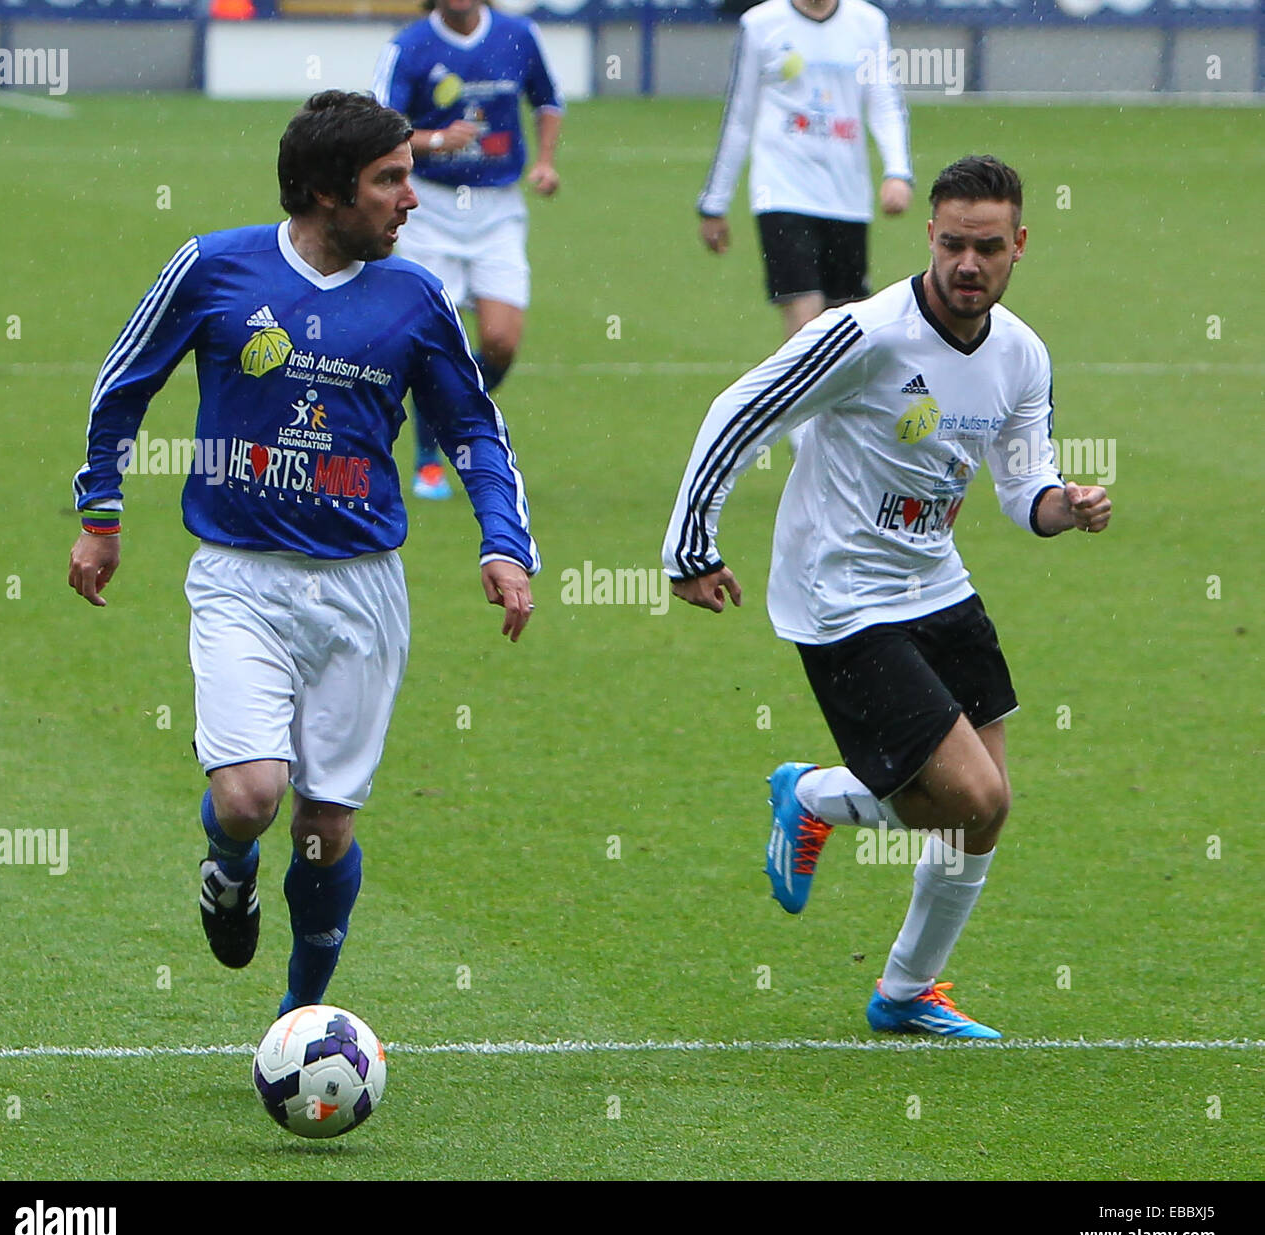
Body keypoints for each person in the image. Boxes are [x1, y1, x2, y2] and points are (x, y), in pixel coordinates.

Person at [68, 90, 539, 1019]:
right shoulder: (213, 268)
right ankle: (228, 864)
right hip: (240, 576)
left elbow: (475, 432)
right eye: (391, 180)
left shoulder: (416, 299)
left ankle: (299, 1022)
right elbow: (125, 384)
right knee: (250, 798)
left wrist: (504, 543)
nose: (414, 197)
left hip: (363, 592)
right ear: (327, 192)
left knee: (325, 829)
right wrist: (101, 513)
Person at [663, 155, 1111, 1039]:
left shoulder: (1023, 354)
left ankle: (906, 991)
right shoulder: (865, 335)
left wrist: (1068, 507)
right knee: (970, 799)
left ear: (1019, 245)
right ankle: (819, 798)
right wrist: (691, 547)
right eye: (952, 245)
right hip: (839, 593)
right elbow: (740, 410)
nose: (968, 265)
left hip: (935, 580)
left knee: (984, 812)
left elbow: (1026, 491)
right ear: (930, 238)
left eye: (988, 247)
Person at [698, 0, 913, 451]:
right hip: (782, 192)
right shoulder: (761, 25)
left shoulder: (867, 23)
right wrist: (715, 202)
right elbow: (740, 114)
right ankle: (804, 443)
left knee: (847, 323)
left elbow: (883, 99)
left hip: (847, 198)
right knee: (805, 315)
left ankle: (838, 432)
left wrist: (897, 170)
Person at [372, 0, 563, 500]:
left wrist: (544, 162)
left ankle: (442, 414)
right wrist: (436, 140)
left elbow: (548, 101)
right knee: (432, 339)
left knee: (501, 342)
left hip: (497, 208)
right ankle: (427, 459)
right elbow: (376, 128)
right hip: (428, 209)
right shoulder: (408, 47)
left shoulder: (518, 36)